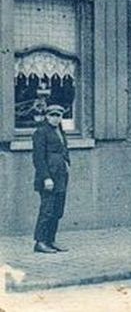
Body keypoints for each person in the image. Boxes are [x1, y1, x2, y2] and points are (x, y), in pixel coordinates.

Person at [32, 104, 70, 254]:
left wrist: (67, 164)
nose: (55, 118)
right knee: (47, 210)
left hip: (61, 176)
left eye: (58, 115)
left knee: (57, 210)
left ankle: (50, 240)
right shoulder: (41, 132)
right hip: (49, 178)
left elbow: (63, 150)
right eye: (52, 115)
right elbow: (38, 158)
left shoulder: (60, 131)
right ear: (47, 116)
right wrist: (46, 178)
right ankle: (40, 242)